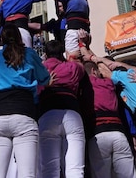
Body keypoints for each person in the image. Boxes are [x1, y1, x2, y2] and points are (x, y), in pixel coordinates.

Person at [0, 24, 51, 178]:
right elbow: (44, 79)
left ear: (1, 39)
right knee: (27, 174)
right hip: (24, 114)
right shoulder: (29, 54)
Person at [38, 40, 86, 178]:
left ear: (46, 54)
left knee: (49, 169)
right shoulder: (73, 67)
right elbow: (82, 68)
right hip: (72, 112)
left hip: (47, 113)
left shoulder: (41, 68)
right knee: (75, 169)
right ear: (62, 53)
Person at [82, 61, 135, 178]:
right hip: (119, 134)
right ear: (94, 71)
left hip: (98, 135)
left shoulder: (84, 86)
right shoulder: (109, 83)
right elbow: (109, 74)